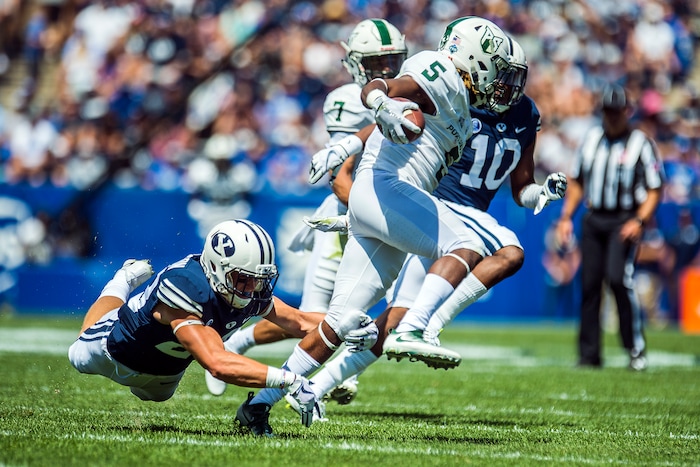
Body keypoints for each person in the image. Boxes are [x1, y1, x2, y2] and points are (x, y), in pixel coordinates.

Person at [234, 16, 516, 436]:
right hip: (386, 189)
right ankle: (416, 327)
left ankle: (256, 408)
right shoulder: (437, 71)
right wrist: (383, 106)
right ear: (474, 56)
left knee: (339, 322)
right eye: (496, 66)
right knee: (467, 244)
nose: (500, 80)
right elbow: (378, 90)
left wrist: (348, 143)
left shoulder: (459, 101)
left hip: (384, 201)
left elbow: (393, 117)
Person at [282, 37, 567, 413]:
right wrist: (346, 146)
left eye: (514, 78)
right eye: (503, 75)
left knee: (393, 320)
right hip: (438, 206)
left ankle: (313, 388)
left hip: (452, 216)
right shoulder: (464, 95)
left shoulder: (524, 114)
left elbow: (522, 188)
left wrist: (541, 193)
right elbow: (400, 108)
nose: (507, 85)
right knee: (509, 249)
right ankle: (429, 326)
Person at [203, 19, 408, 403]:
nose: (384, 72)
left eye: (391, 61)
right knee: (311, 317)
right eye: (375, 63)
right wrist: (376, 216)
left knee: (399, 310)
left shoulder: (414, 96)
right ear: (354, 63)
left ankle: (334, 373)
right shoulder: (348, 100)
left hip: (395, 217)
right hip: (351, 215)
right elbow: (340, 178)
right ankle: (240, 342)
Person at [68, 219, 324, 432]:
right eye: (244, 278)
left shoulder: (247, 289)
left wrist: (346, 325)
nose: (251, 287)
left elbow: (300, 321)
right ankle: (122, 280)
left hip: (166, 373)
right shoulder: (186, 287)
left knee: (155, 396)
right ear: (216, 267)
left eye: (258, 279)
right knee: (77, 352)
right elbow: (217, 363)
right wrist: (289, 380)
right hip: (113, 350)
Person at [555, 83, 665, 371]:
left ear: (627, 112)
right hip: (595, 219)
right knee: (589, 285)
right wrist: (566, 216)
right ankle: (589, 355)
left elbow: (654, 188)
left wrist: (639, 220)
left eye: (616, 112)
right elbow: (578, 181)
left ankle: (635, 349)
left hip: (624, 220)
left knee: (619, 279)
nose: (612, 117)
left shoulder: (641, 144)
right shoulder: (592, 139)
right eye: (607, 112)